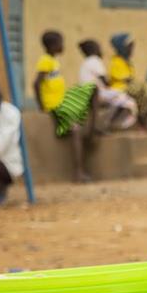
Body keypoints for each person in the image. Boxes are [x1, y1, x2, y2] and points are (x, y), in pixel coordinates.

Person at [34, 30, 97, 182]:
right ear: (52, 45)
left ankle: (84, 129)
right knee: (76, 130)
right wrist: (41, 106)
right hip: (53, 104)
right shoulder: (45, 61)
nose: (63, 46)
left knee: (92, 92)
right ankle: (78, 172)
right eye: (60, 43)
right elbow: (36, 84)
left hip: (60, 102)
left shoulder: (53, 61)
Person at [81, 38, 135, 131]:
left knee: (118, 98)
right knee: (126, 100)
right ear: (94, 50)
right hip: (97, 92)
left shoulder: (86, 62)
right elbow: (105, 81)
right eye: (99, 48)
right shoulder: (95, 61)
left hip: (89, 92)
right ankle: (111, 122)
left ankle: (109, 122)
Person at [108, 32, 147, 130]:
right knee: (143, 88)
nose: (132, 49)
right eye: (129, 46)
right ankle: (142, 116)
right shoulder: (116, 61)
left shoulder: (128, 62)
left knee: (146, 89)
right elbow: (126, 79)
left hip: (128, 87)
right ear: (122, 48)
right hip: (120, 88)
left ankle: (143, 115)